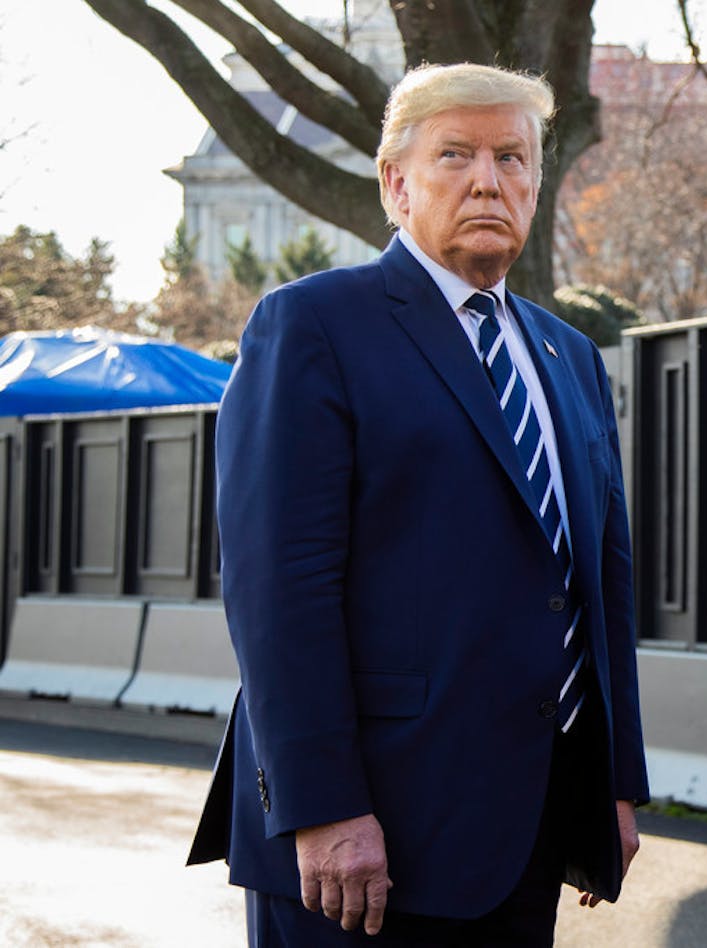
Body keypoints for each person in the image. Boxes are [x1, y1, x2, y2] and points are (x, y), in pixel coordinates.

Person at [186, 62, 648, 946]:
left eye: (512, 158)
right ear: (396, 183)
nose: (489, 179)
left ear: (537, 183)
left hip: (527, 828)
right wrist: (323, 807)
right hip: (364, 841)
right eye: (456, 155)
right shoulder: (314, 325)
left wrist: (612, 785)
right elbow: (279, 589)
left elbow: (602, 584)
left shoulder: (570, 357)